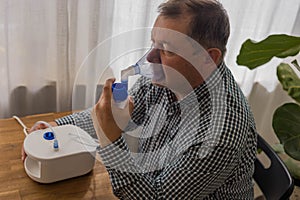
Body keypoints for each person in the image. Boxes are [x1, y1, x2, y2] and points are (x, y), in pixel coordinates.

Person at [23, 0, 257, 199]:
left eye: (166, 49)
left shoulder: (220, 132)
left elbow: (156, 196)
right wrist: (59, 126)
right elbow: (113, 111)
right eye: (153, 42)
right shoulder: (168, 78)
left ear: (208, 58)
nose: (150, 57)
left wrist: (111, 138)